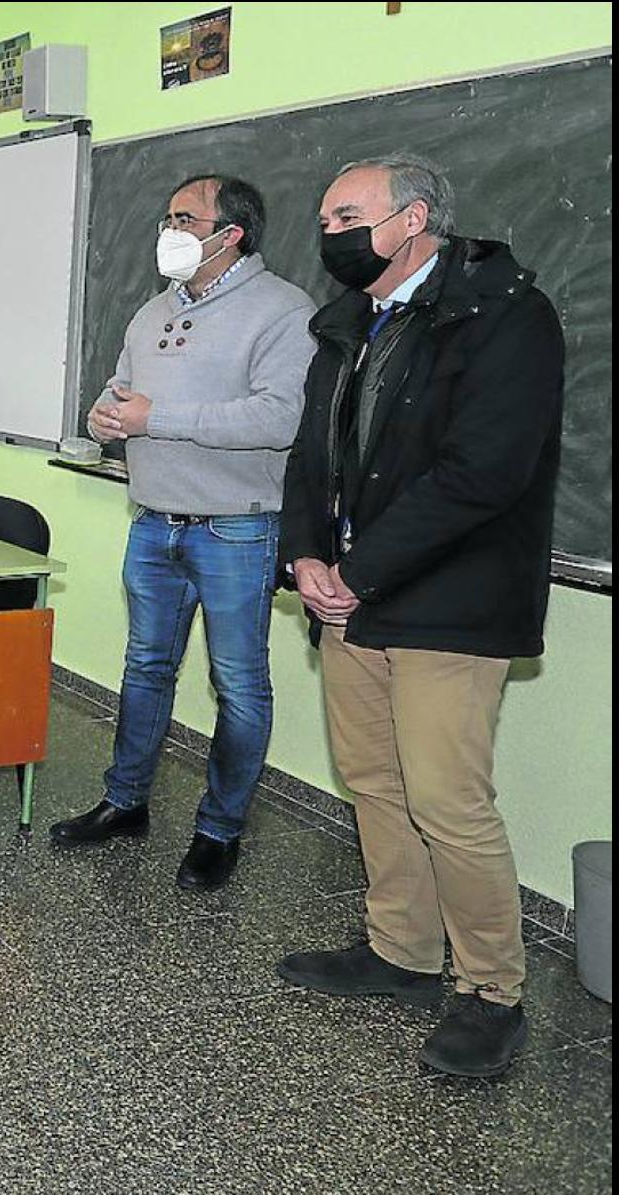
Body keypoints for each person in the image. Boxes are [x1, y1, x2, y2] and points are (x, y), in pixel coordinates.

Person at [274, 156, 564, 1079]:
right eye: (324, 218)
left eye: (347, 214)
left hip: (448, 598)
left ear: (413, 219)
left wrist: (359, 570)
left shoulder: (504, 313)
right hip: (351, 595)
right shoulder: (353, 322)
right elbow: (311, 454)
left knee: (447, 800)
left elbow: (483, 472)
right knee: (375, 780)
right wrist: (309, 553)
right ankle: (400, 950)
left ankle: (491, 991)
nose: (330, 234)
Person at [54, 175, 318, 891]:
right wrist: (103, 420)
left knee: (238, 684)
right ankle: (125, 800)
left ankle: (219, 831)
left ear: (229, 234)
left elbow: (278, 420)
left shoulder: (282, 311)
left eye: (184, 218)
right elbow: (116, 396)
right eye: (168, 216)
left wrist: (154, 420)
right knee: (144, 669)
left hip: (236, 530)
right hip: (153, 523)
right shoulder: (151, 313)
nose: (169, 229)